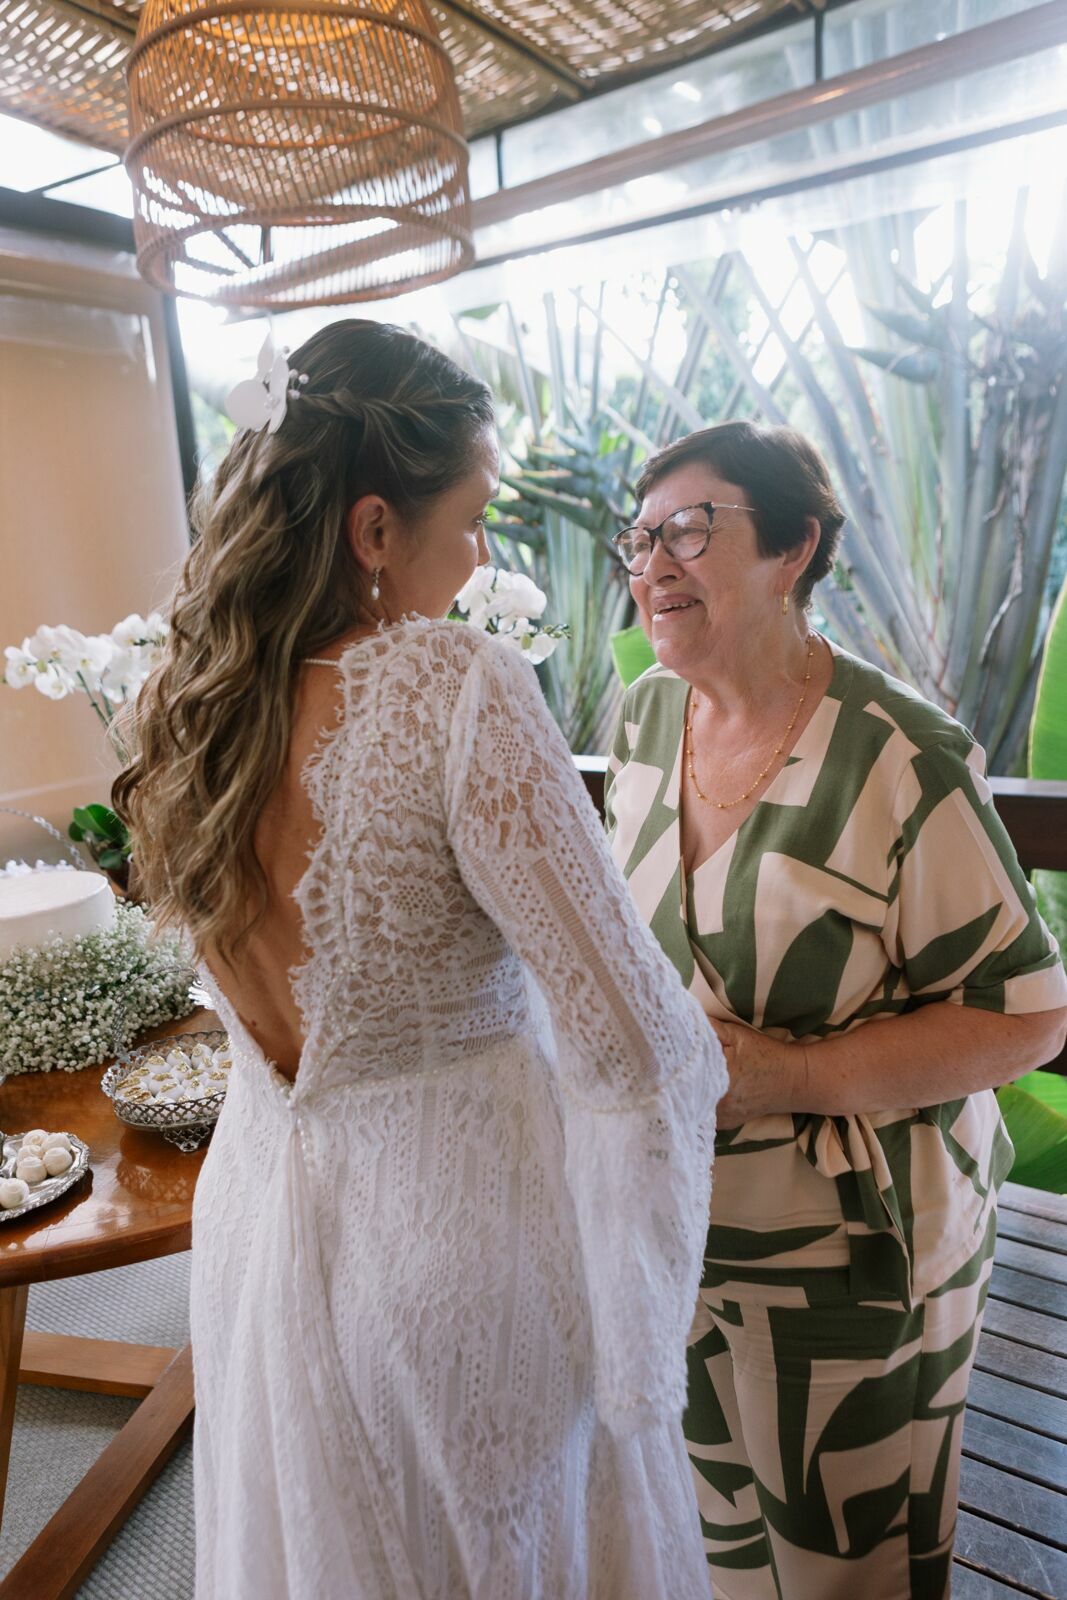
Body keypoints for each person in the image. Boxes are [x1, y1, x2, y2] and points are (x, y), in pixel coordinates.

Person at [113, 319, 727, 1600]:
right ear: (374, 528)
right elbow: (638, 1043)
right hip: (462, 1244)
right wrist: (639, 1338)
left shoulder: (189, 700)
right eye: (476, 511)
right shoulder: (456, 686)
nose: (486, 547)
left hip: (259, 1230)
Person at [604, 419, 1067, 1600]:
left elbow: (1027, 1017)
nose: (653, 561)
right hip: (687, 1238)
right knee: (722, 1546)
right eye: (639, 536)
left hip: (857, 1268)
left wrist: (789, 1074)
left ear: (794, 547)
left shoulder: (899, 754)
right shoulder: (644, 722)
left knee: (846, 1567)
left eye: (691, 529)